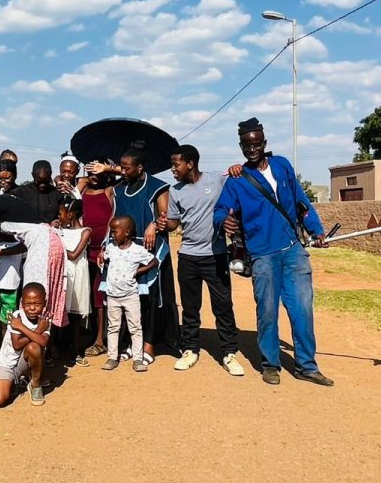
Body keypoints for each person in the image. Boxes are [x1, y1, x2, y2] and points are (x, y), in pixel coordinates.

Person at [214, 117, 332, 387]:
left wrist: (316, 230)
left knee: (302, 309)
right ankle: (270, 364)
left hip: (293, 251)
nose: (252, 149)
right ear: (241, 146)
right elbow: (220, 210)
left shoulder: (282, 165)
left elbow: (301, 201)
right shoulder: (237, 180)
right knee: (267, 311)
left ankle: (306, 366)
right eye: (246, 145)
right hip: (262, 255)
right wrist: (223, 220)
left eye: (256, 144)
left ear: (264, 143)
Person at [158, 145, 244, 376]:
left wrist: (237, 168)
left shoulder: (216, 180)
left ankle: (229, 352)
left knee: (223, 306)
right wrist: (165, 223)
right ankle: (190, 350)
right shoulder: (175, 190)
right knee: (190, 307)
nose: (173, 169)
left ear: (190, 164)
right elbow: (174, 223)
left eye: (176, 164)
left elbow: (238, 178)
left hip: (216, 256)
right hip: (188, 256)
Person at [97, 143, 179, 361]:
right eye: (121, 167)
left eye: (126, 168)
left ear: (140, 167)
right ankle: (131, 343)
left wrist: (154, 223)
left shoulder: (158, 187)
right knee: (127, 297)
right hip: (123, 251)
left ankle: (149, 345)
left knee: (150, 297)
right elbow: (113, 220)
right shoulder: (118, 189)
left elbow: (167, 218)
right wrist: (105, 246)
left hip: (149, 249)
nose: (122, 171)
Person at [0, 161, 67, 328]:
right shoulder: (10, 199)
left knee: (34, 297)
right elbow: (25, 243)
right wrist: (3, 252)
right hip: (52, 243)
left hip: (43, 248)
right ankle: (42, 338)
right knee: (43, 297)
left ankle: (34, 339)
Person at [101, 216, 156, 373]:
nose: (112, 235)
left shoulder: (137, 250)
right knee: (113, 327)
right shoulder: (111, 248)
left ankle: (138, 359)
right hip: (112, 295)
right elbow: (105, 258)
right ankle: (112, 357)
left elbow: (154, 261)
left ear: (126, 232)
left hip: (130, 296)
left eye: (115, 232)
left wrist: (138, 271)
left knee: (135, 327)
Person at [0, 283, 51, 408]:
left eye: (37, 304)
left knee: (34, 347)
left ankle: (35, 385)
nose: (32, 308)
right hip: (6, 363)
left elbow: (43, 342)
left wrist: (21, 327)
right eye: (27, 304)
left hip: (25, 361)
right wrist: (38, 331)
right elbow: (16, 344)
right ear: (22, 303)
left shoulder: (44, 319)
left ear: (44, 303)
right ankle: (14, 382)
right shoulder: (17, 316)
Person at [80, 157, 115, 358]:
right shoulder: (83, 189)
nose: (93, 174)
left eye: (97, 170)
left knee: (100, 295)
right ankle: (89, 333)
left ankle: (101, 340)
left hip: (103, 250)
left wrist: (108, 168)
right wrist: (83, 181)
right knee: (87, 295)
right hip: (83, 250)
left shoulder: (109, 191)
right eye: (90, 169)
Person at [56, 196, 92, 366]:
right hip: (64, 273)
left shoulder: (86, 232)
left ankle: (76, 351)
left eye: (60, 214)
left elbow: (74, 255)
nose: (58, 217)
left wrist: (58, 243)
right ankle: (57, 348)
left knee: (76, 316)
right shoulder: (61, 231)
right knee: (61, 312)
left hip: (78, 274)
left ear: (70, 215)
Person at [10, 160, 61, 224]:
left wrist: (57, 221)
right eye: (39, 181)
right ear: (32, 175)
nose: (42, 185)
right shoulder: (19, 193)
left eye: (46, 181)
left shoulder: (57, 194)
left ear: (51, 174)